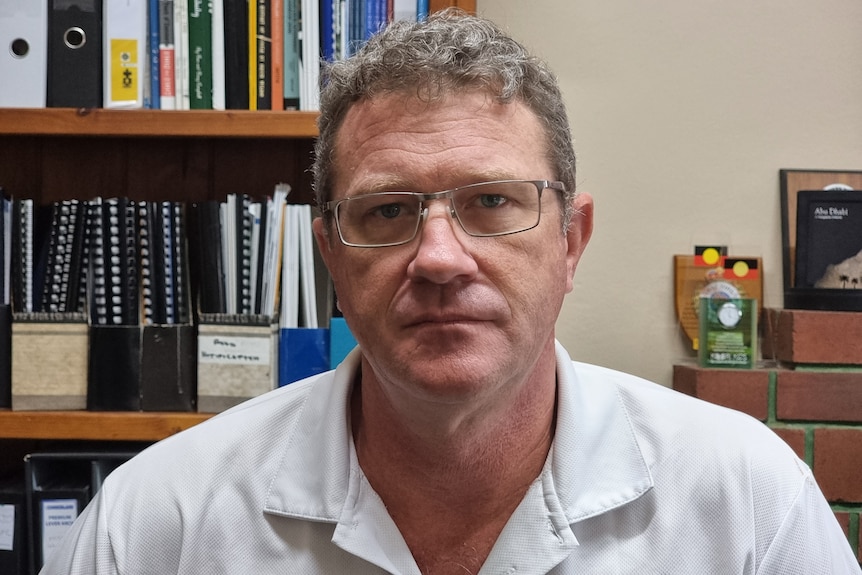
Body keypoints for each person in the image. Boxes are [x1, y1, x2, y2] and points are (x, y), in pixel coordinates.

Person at [43, 8, 860, 575]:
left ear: (570, 241)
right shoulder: (154, 521)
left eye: (491, 202)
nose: (439, 256)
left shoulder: (747, 501)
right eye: (389, 209)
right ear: (331, 253)